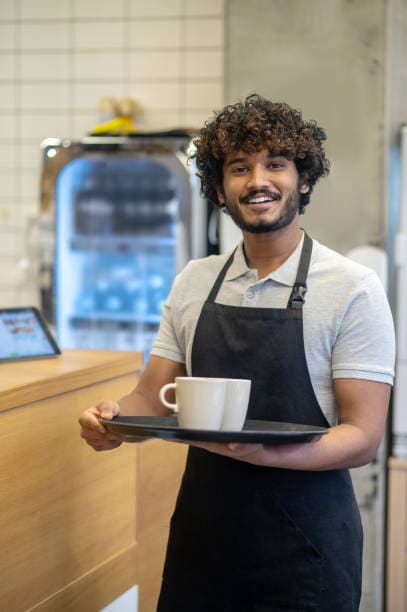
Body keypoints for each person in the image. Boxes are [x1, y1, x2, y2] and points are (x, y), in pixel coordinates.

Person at [79, 94, 395, 611]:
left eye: (276, 164)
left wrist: (265, 452)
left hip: (306, 550)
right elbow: (151, 397)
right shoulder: (194, 281)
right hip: (204, 542)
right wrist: (113, 422)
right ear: (220, 188)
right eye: (239, 168)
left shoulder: (352, 288)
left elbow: (362, 438)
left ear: (305, 178)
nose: (257, 181)